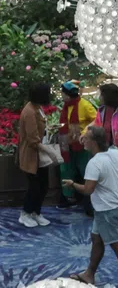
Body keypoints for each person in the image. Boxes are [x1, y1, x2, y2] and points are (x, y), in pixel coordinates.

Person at [63, 126, 118, 288]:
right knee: (97, 239)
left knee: (117, 244)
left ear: (94, 142)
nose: (83, 141)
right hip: (115, 205)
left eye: (86, 138)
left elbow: (88, 190)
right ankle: (89, 274)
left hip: (106, 210)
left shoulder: (94, 163)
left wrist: (73, 184)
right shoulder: (116, 153)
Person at [57, 81, 97, 209]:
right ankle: (69, 197)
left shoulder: (85, 105)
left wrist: (85, 133)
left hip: (83, 145)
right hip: (67, 145)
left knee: (86, 170)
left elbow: (97, 120)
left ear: (68, 95)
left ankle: (90, 198)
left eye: (62, 93)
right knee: (66, 170)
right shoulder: (66, 106)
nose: (61, 95)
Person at [17, 83, 52, 228]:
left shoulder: (37, 108)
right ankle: (25, 213)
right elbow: (32, 139)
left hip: (39, 154)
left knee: (43, 185)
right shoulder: (30, 111)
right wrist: (48, 150)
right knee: (35, 186)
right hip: (32, 155)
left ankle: (36, 212)